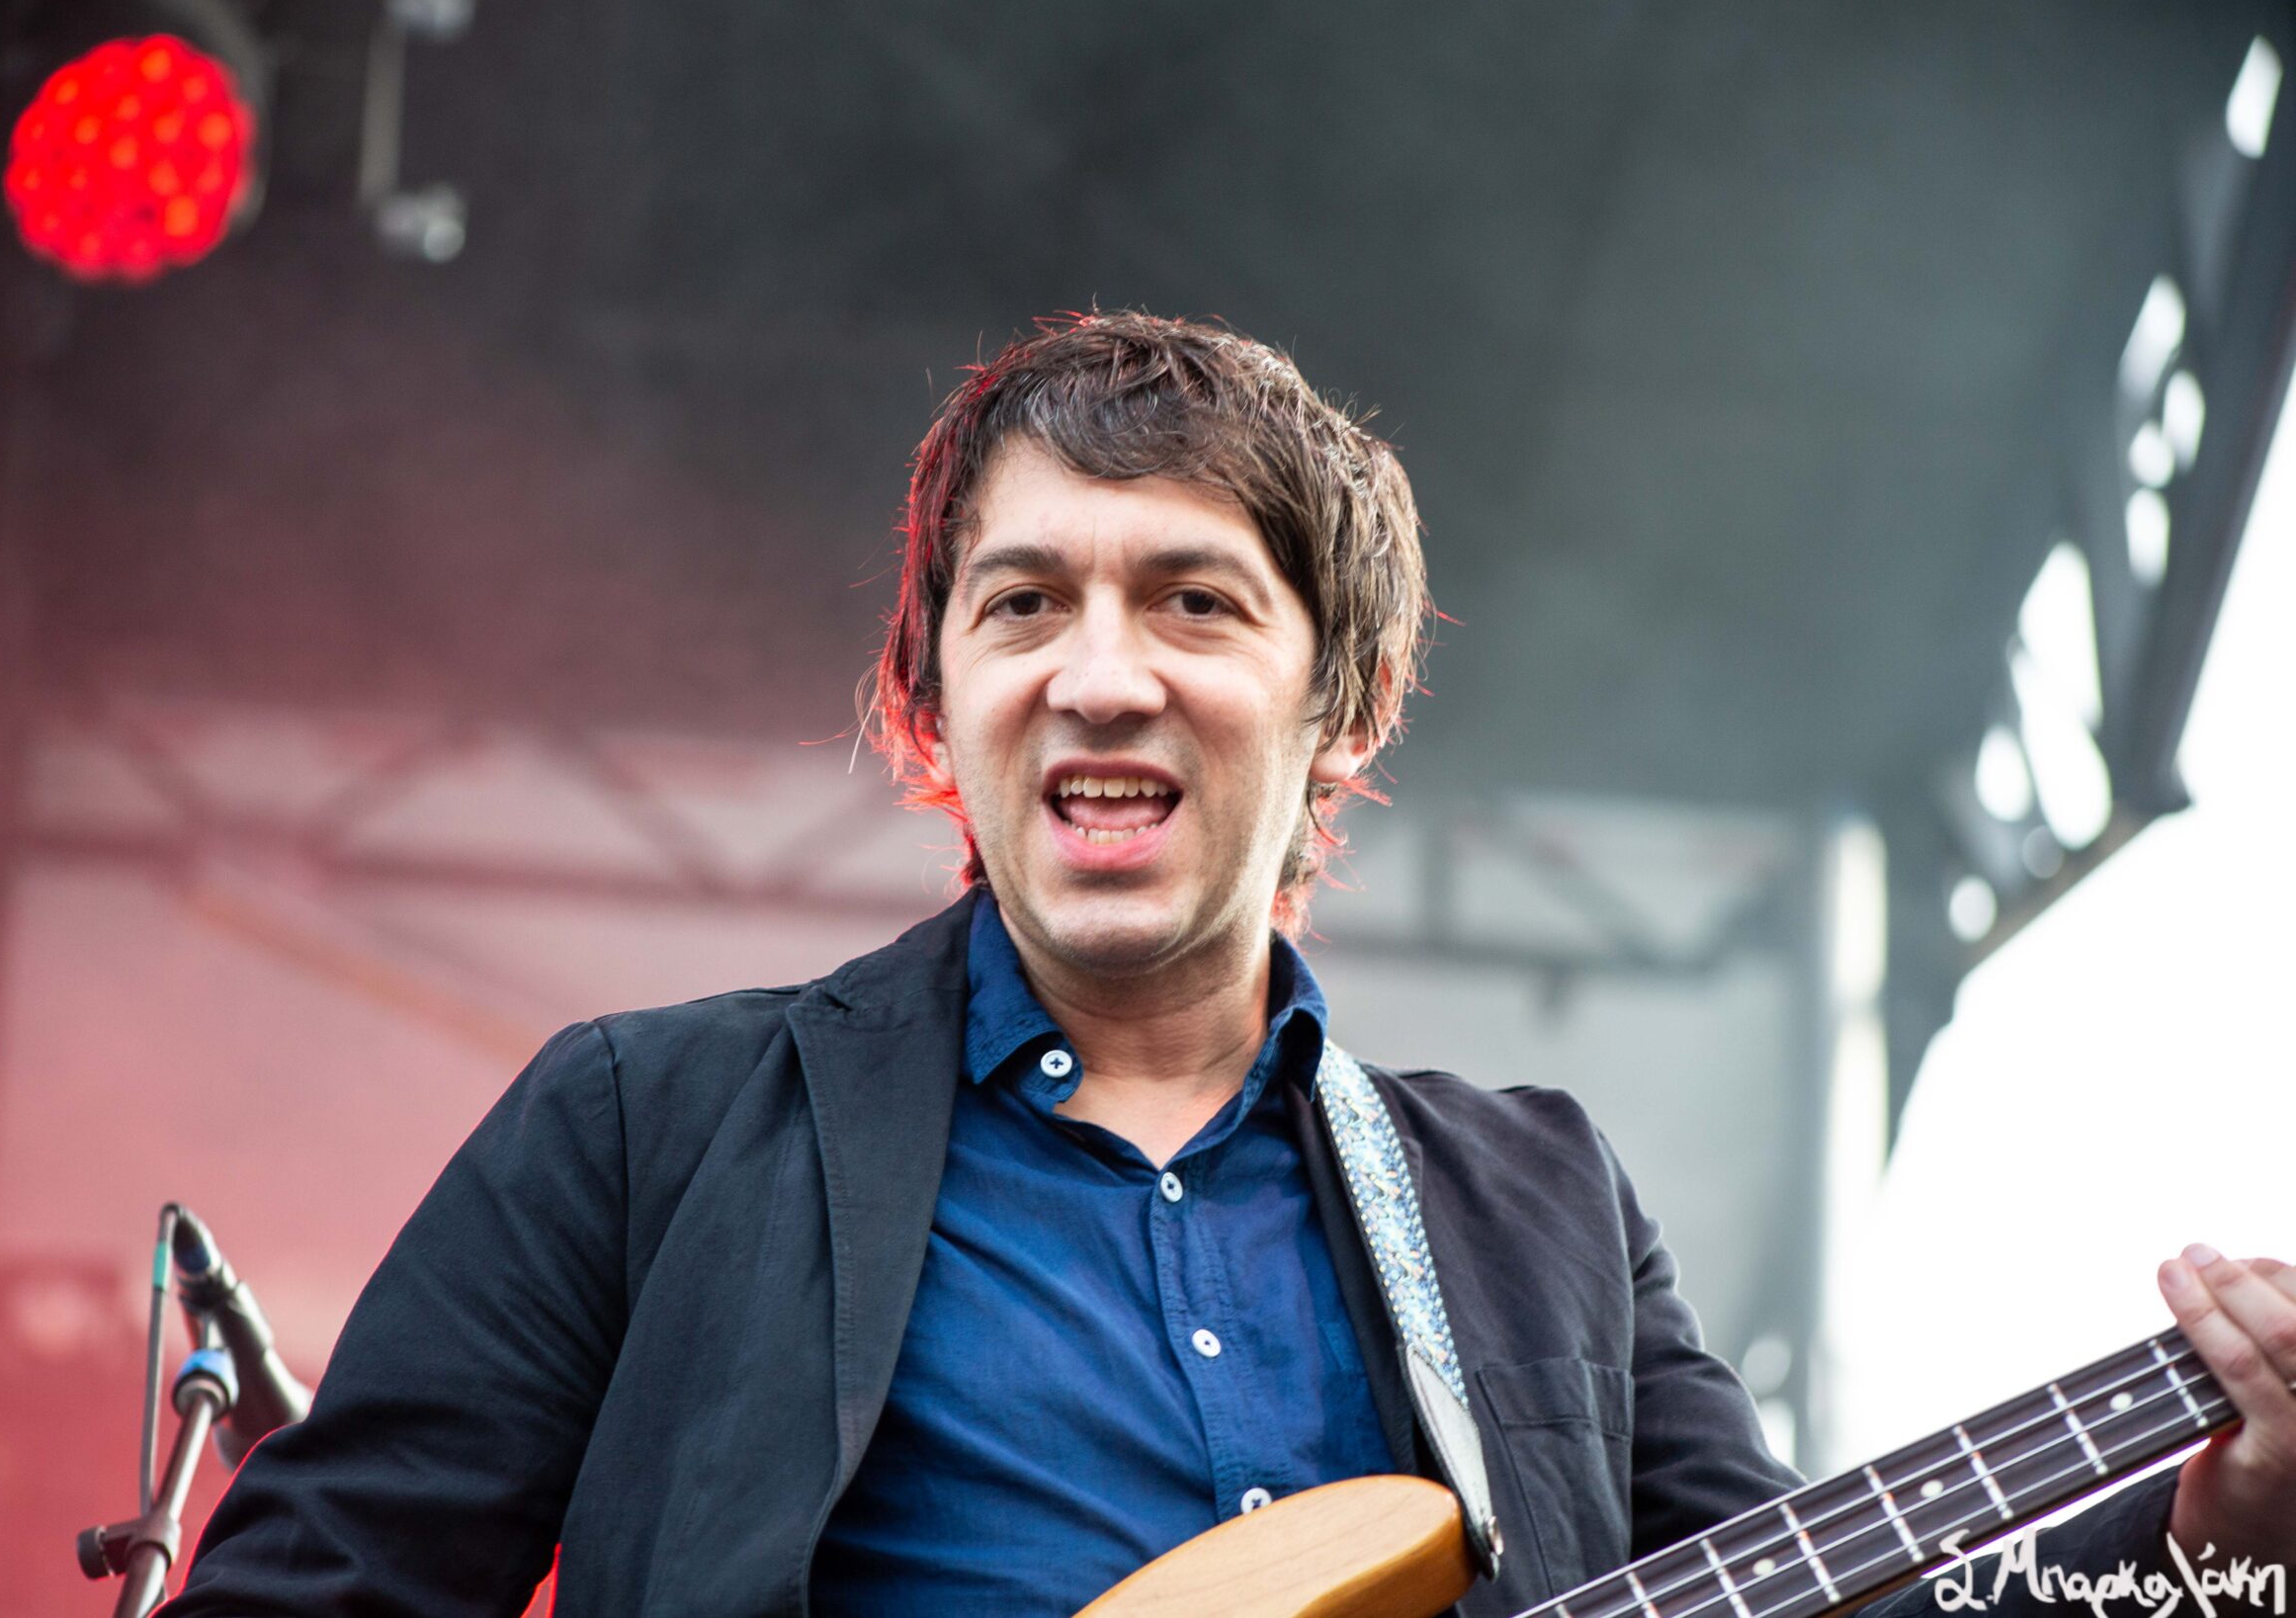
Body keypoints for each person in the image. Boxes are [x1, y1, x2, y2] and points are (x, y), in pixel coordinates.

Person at [168, 313, 2294, 1617]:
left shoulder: (1538, 1203)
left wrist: (2216, 1549)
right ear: (933, 704)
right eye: (1022, 606)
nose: (1100, 676)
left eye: (1192, 602)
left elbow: (1822, 1601)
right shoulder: (645, 1126)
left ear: (1340, 705)